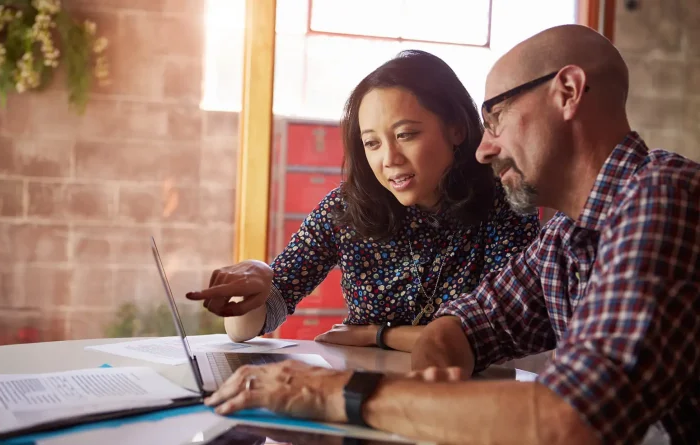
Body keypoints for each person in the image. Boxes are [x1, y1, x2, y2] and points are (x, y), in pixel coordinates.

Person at [198, 24, 700, 445]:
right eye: (372, 142)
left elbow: (571, 418)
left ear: (567, 92)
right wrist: (431, 391)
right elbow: (467, 323)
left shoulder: (662, 195)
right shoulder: (567, 234)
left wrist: (336, 391)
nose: (486, 149)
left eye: (496, 118)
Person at [186, 50, 539, 351]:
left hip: (469, 402)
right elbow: (248, 328)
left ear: (456, 129)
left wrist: (378, 336)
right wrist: (259, 279)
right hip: (365, 397)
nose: (389, 159)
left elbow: (501, 330)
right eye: (373, 143)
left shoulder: (503, 202)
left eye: (405, 135)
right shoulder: (346, 208)